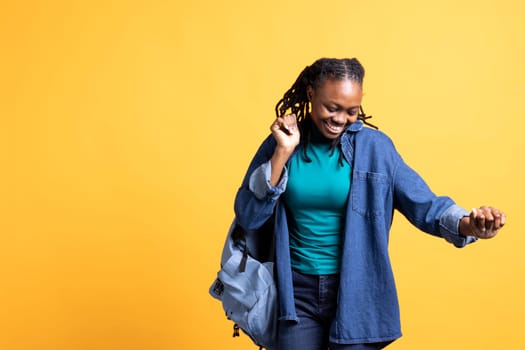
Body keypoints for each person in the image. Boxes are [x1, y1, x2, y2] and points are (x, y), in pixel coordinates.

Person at [233, 57, 506, 350]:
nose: (340, 119)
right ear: (311, 94)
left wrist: (470, 225)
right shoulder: (282, 143)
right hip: (295, 293)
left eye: (352, 111)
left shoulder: (376, 148)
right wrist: (282, 153)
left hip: (356, 291)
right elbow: (249, 216)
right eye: (332, 108)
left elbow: (424, 204)